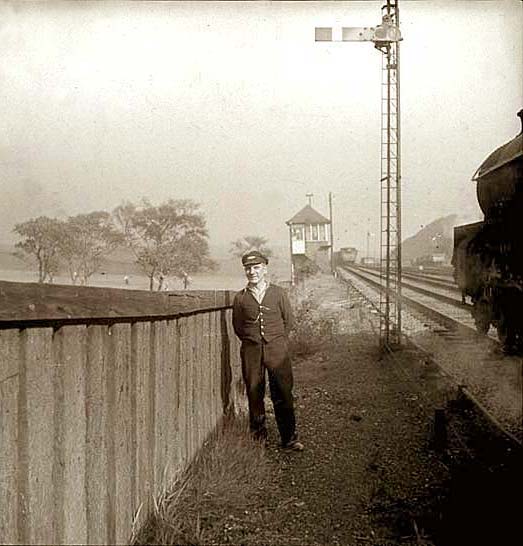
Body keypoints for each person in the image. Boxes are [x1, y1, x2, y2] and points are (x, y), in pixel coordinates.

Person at [232, 250, 304, 451]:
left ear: (265, 269)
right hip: (251, 351)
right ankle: (258, 440)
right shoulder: (240, 298)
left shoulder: (279, 293)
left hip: (277, 350)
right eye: (248, 268)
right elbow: (238, 327)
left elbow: (288, 321)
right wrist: (254, 342)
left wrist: (275, 341)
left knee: (282, 391)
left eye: (256, 268)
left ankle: (289, 438)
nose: (252, 272)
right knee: (255, 392)